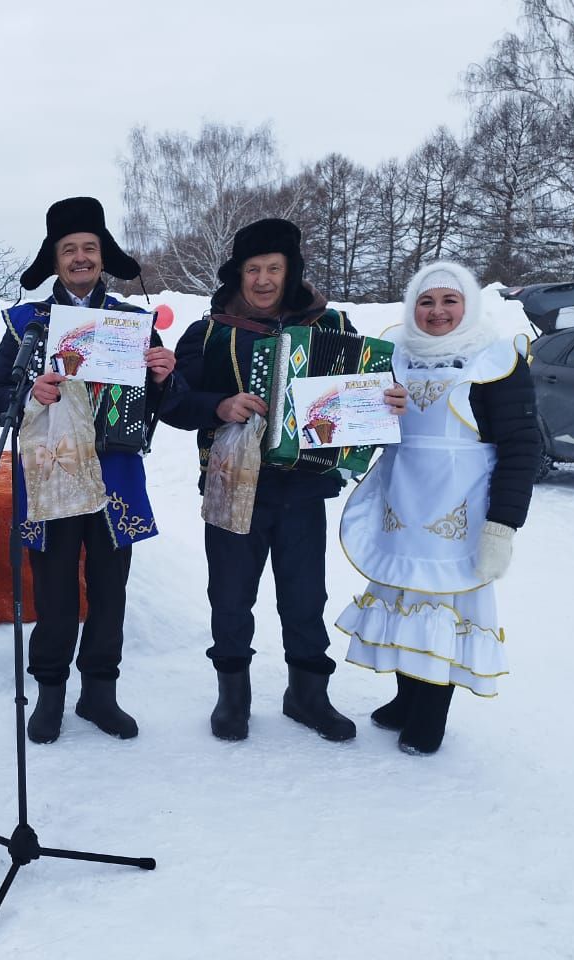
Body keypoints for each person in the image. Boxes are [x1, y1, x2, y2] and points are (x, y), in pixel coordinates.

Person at [159, 218, 407, 743]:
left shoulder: (331, 325)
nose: (265, 279)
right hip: (232, 483)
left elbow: (360, 392)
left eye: (275, 268)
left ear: (290, 272)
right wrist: (219, 405)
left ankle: (306, 695)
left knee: (304, 594)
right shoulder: (207, 331)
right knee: (229, 595)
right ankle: (233, 697)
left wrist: (384, 401)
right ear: (239, 274)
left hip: (302, 488)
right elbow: (173, 402)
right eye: (254, 269)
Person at [0, 196, 177, 744]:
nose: (81, 258)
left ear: (102, 256)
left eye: (90, 248)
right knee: (55, 589)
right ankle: (50, 693)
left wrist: (163, 375)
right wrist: (30, 393)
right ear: (56, 259)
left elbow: (169, 401)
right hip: (51, 474)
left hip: (115, 475)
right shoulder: (26, 324)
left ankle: (100, 695)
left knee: (110, 589)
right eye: (70, 250)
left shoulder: (134, 322)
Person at [336, 261, 540, 754]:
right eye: (426, 302)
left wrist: (502, 525)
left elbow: (521, 446)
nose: (437, 312)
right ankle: (407, 698)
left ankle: (431, 714)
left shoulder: (495, 360)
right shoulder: (395, 355)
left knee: (444, 609)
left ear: (468, 304)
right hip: (402, 508)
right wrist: (373, 411)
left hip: (460, 514)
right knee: (407, 601)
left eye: (449, 301)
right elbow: (358, 417)